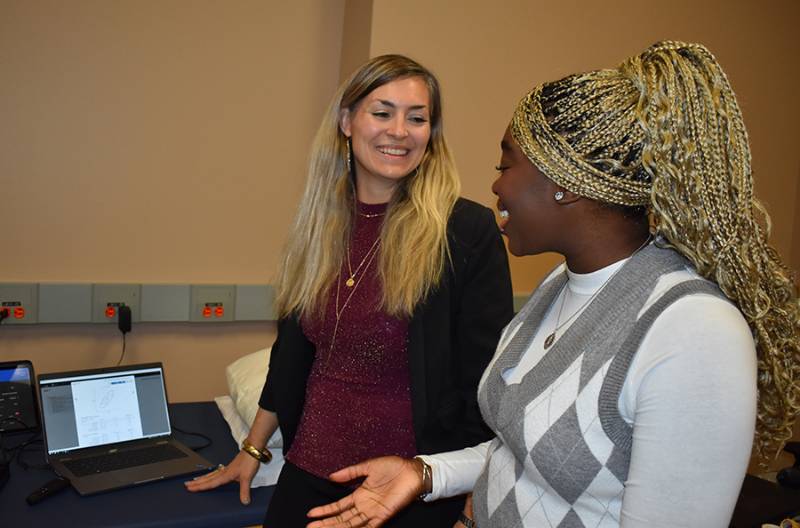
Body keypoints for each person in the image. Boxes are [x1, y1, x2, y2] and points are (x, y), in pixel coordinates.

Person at [305, 41, 800, 528]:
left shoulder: (695, 332)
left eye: (506, 164)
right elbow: (527, 451)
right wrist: (426, 472)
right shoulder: (560, 285)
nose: (496, 186)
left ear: (562, 180)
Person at [185, 54, 514, 527]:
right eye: (382, 112)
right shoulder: (320, 224)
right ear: (346, 121)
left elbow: (483, 378)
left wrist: (463, 486)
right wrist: (253, 450)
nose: (399, 130)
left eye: (417, 118)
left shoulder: (463, 230)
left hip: (406, 488)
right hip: (309, 469)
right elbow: (294, 352)